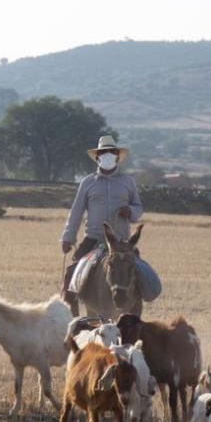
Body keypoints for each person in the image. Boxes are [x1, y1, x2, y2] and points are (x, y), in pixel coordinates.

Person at [60, 135, 143, 315]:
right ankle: (73, 320)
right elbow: (76, 212)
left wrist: (130, 211)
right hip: (93, 240)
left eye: (111, 152)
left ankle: (135, 313)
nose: (107, 155)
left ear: (117, 156)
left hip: (122, 242)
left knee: (142, 274)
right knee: (71, 274)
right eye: (103, 152)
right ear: (97, 157)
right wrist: (68, 238)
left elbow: (138, 208)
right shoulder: (88, 183)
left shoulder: (127, 182)